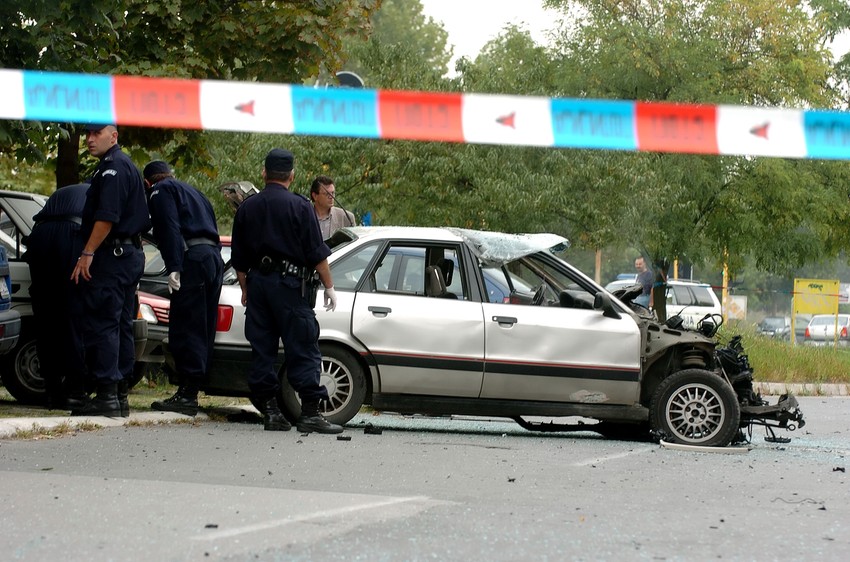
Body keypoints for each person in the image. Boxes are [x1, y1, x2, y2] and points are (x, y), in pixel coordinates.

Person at [231, 148, 342, 434]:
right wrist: (329, 287)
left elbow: (239, 258)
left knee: (262, 349)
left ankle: (271, 412)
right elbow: (317, 253)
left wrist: (246, 289)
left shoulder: (247, 207)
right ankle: (309, 413)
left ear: (264, 174)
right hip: (292, 288)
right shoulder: (301, 206)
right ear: (292, 176)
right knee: (303, 346)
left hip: (258, 286)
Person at [70, 124, 150, 417]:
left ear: (113, 135)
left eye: (96, 134)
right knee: (120, 323)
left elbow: (106, 217)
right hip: (127, 255)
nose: (89, 140)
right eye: (87, 135)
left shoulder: (112, 168)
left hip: (112, 256)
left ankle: (106, 394)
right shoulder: (122, 165)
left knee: (103, 322)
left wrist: (87, 252)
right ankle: (119, 395)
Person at [143, 161, 224, 416]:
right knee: (204, 326)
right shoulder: (194, 192)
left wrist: (174, 266)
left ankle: (187, 396)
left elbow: (168, 228)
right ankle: (193, 388)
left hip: (192, 260)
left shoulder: (160, 190)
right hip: (211, 258)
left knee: (187, 325)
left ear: (148, 183)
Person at [24, 183, 89, 410]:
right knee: (73, 317)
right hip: (70, 237)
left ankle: (51, 391)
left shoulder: (66, 191)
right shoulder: (101, 191)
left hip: (40, 236)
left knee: (45, 318)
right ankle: (75, 392)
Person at [309, 175, 355, 239]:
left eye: (333, 193)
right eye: (327, 194)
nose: (331, 197)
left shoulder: (346, 217)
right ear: (315, 196)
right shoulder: (305, 217)